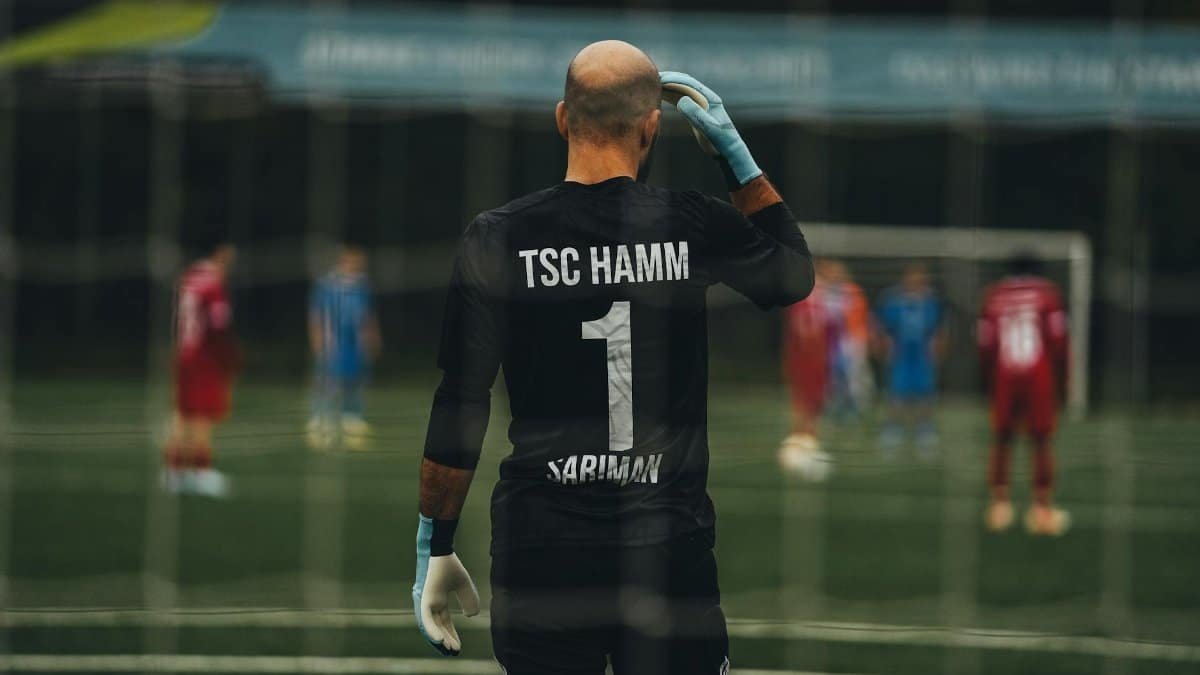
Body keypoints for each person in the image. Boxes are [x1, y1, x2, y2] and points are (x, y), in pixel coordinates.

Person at [411, 41, 814, 674]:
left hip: (541, 549)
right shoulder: (691, 224)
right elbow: (792, 277)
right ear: (652, 126)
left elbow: (460, 401)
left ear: (562, 119)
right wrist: (733, 153)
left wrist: (433, 544)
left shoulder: (498, 236)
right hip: (666, 550)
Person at [978, 253, 1070, 536]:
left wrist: (988, 380)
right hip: (1038, 373)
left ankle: (1000, 506)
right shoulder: (1048, 295)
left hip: (1005, 373)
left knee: (1002, 437)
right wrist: (1063, 381)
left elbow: (985, 344)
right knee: (1041, 439)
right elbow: (1058, 340)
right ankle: (1041, 508)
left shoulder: (994, 296)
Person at [162, 239, 240, 497]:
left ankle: (173, 470)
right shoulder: (213, 285)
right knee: (202, 415)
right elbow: (218, 328)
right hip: (204, 357)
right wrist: (229, 360)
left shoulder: (189, 277)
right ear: (220, 255)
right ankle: (200, 471)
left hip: (183, 353)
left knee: (182, 412)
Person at [307, 245, 381, 450]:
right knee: (327, 382)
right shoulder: (327, 285)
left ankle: (352, 422)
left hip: (354, 343)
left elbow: (367, 316)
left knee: (355, 381)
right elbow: (316, 316)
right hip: (332, 341)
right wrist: (318, 339)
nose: (356, 265)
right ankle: (320, 422)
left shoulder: (362, 286)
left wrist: (372, 337)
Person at [874, 262, 945, 458]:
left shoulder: (930, 300)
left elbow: (938, 329)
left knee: (925, 393)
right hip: (901, 353)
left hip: (922, 353)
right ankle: (893, 429)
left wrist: (938, 348)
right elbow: (882, 325)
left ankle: (925, 430)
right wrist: (883, 344)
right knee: (897, 392)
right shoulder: (894, 299)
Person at [779, 266, 832, 481]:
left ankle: (807, 444)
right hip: (805, 359)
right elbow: (798, 333)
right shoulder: (806, 302)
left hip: (813, 359)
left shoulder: (818, 302)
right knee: (803, 402)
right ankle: (800, 444)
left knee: (812, 402)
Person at [817, 259, 872, 421]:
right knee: (831, 376)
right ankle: (831, 407)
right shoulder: (821, 292)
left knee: (854, 376)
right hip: (829, 341)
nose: (835, 275)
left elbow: (860, 318)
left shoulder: (852, 291)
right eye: (831, 272)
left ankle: (857, 408)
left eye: (838, 272)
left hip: (850, 340)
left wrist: (859, 340)